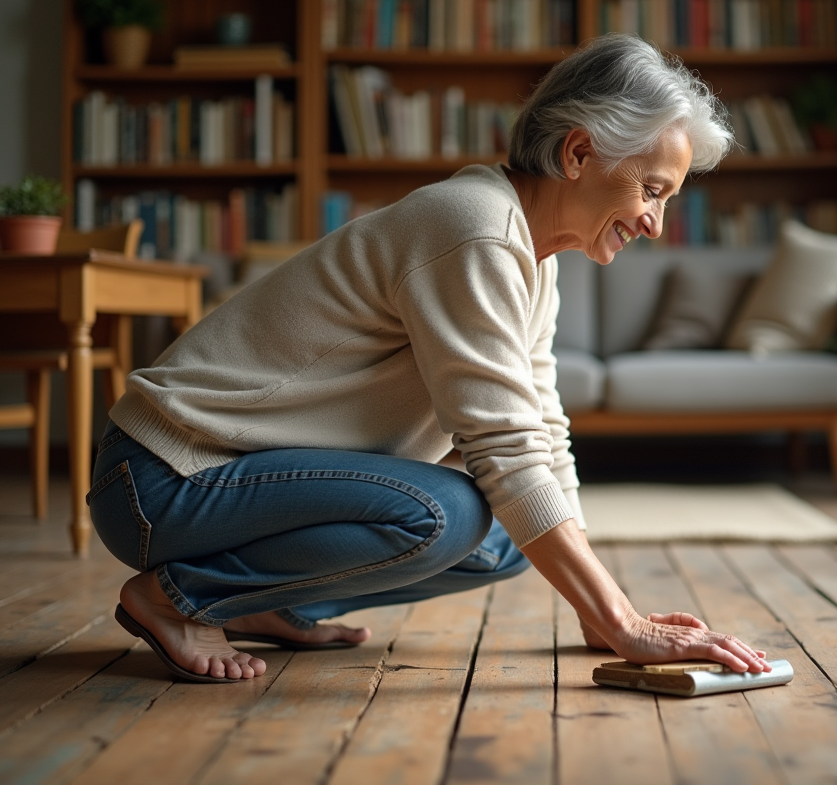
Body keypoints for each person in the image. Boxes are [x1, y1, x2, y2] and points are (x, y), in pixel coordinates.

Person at [88, 34, 771, 683]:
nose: (655, 222)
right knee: (449, 513)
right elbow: (502, 447)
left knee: (506, 542)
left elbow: (540, 427)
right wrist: (619, 620)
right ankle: (178, 598)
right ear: (579, 153)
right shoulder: (473, 228)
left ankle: (266, 602)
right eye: (652, 190)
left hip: (232, 485)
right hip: (162, 478)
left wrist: (602, 609)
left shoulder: (533, 257)